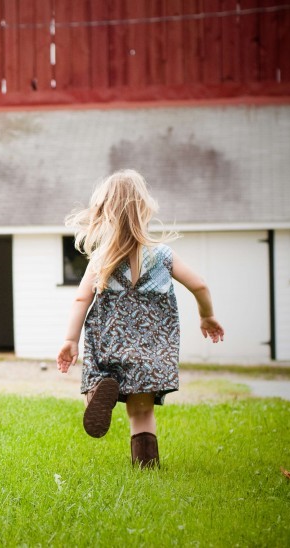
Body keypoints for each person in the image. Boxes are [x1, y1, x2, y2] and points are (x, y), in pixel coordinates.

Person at [56, 169, 225, 469]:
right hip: (150, 349)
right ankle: (146, 468)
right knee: (142, 411)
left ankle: (99, 390)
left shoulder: (102, 259)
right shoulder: (163, 256)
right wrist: (207, 315)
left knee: (97, 382)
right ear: (144, 209)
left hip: (110, 344)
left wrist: (70, 341)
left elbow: (82, 298)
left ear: (105, 213)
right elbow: (199, 284)